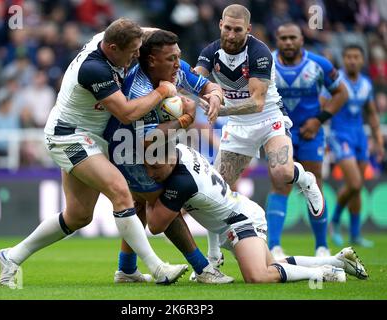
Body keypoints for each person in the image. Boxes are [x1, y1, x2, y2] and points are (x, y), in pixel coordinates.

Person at [0, 18, 190, 287]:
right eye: (133, 52)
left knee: (78, 215)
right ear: (112, 47)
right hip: (69, 136)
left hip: (90, 138)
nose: (137, 56)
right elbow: (126, 112)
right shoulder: (94, 69)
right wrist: (161, 92)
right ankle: (158, 268)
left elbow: (150, 34)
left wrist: (169, 47)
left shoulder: (113, 39)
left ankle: (11, 256)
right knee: (121, 192)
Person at [194, 4, 325, 263]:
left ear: (248, 30)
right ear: (220, 24)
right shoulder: (210, 52)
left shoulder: (259, 52)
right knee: (214, 191)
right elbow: (196, 78)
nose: (231, 35)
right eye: (227, 28)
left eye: (238, 30)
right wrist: (182, 91)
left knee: (282, 173)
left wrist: (219, 109)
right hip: (238, 127)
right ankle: (213, 254)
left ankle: (306, 180)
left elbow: (257, 102)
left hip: (268, 120)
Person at [104, 29, 233, 284]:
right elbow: (148, 139)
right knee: (161, 202)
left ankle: (126, 270)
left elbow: (207, 85)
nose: (178, 64)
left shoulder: (175, 69)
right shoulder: (137, 88)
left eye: (179, 57)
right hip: (123, 146)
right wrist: (185, 119)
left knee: (139, 204)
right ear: (152, 60)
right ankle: (203, 269)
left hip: (140, 144)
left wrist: (215, 95)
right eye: (171, 59)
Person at [143, 143, 368, 284]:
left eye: (156, 168)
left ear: (171, 159)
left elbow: (155, 225)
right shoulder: (180, 149)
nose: (151, 174)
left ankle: (323, 273)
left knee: (257, 276)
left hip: (240, 220)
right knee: (274, 265)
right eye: (147, 167)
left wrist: (143, 192)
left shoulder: (182, 182)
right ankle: (337, 261)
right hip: (235, 216)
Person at [270, 22, 348, 258]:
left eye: (293, 37)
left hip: (310, 134)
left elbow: (341, 93)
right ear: (277, 39)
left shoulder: (318, 64)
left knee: (314, 185)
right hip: (277, 134)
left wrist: (318, 120)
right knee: (279, 184)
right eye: (283, 38)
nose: (288, 42)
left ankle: (322, 247)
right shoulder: (266, 64)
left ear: (302, 39)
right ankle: (274, 247)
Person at [324, 45, 384, 248]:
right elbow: (322, 104)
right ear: (343, 59)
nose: (352, 60)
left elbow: (372, 113)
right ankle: (334, 222)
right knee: (356, 183)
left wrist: (378, 139)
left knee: (355, 188)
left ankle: (356, 235)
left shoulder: (366, 84)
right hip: (340, 136)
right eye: (348, 56)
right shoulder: (335, 80)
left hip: (359, 137)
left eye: (356, 57)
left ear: (362, 60)